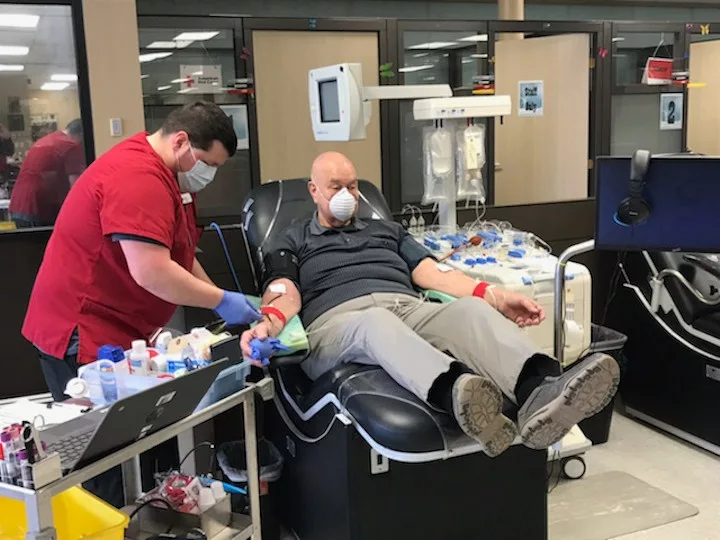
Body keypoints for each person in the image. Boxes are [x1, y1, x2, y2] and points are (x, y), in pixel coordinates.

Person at [241, 151, 620, 457]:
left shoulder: (386, 230)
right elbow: (283, 290)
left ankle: (541, 391)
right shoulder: (292, 239)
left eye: (353, 186)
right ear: (313, 190)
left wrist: (491, 295)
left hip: (407, 308)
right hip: (338, 325)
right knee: (375, 322)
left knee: (468, 312)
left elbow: (431, 274)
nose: (347, 195)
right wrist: (268, 323)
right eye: (335, 186)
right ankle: (461, 395)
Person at [23, 101, 261, 403]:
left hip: (120, 323)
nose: (209, 174)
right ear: (180, 141)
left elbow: (180, 254)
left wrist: (217, 298)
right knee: (100, 443)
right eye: (208, 164)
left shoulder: (170, 176)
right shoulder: (137, 177)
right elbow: (152, 271)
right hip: (83, 328)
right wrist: (221, 300)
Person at [9, 119, 86, 227]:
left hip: (19, 204)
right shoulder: (71, 145)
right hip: (40, 207)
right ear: (82, 135)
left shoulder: (47, 140)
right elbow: (76, 186)